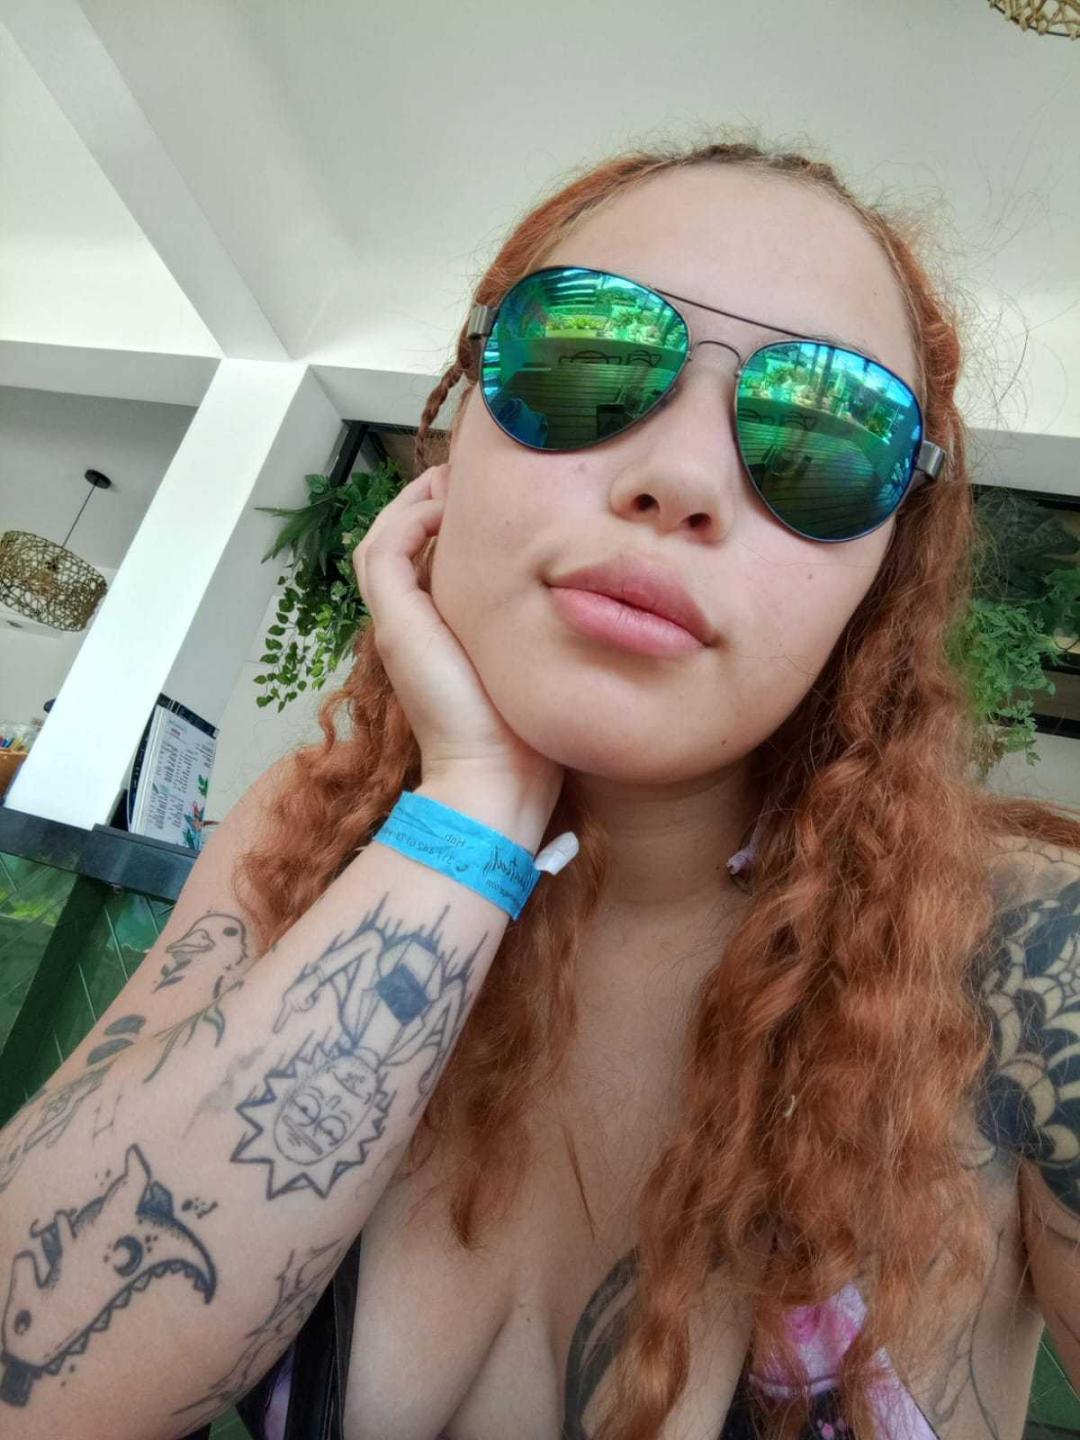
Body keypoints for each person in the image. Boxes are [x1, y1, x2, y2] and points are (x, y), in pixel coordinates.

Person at [1, 130, 1078, 1440]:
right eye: (585, 357)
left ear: (883, 574)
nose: (679, 479)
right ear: (459, 439)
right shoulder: (315, 835)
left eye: (824, 436)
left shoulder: (1027, 959)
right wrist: (471, 812)